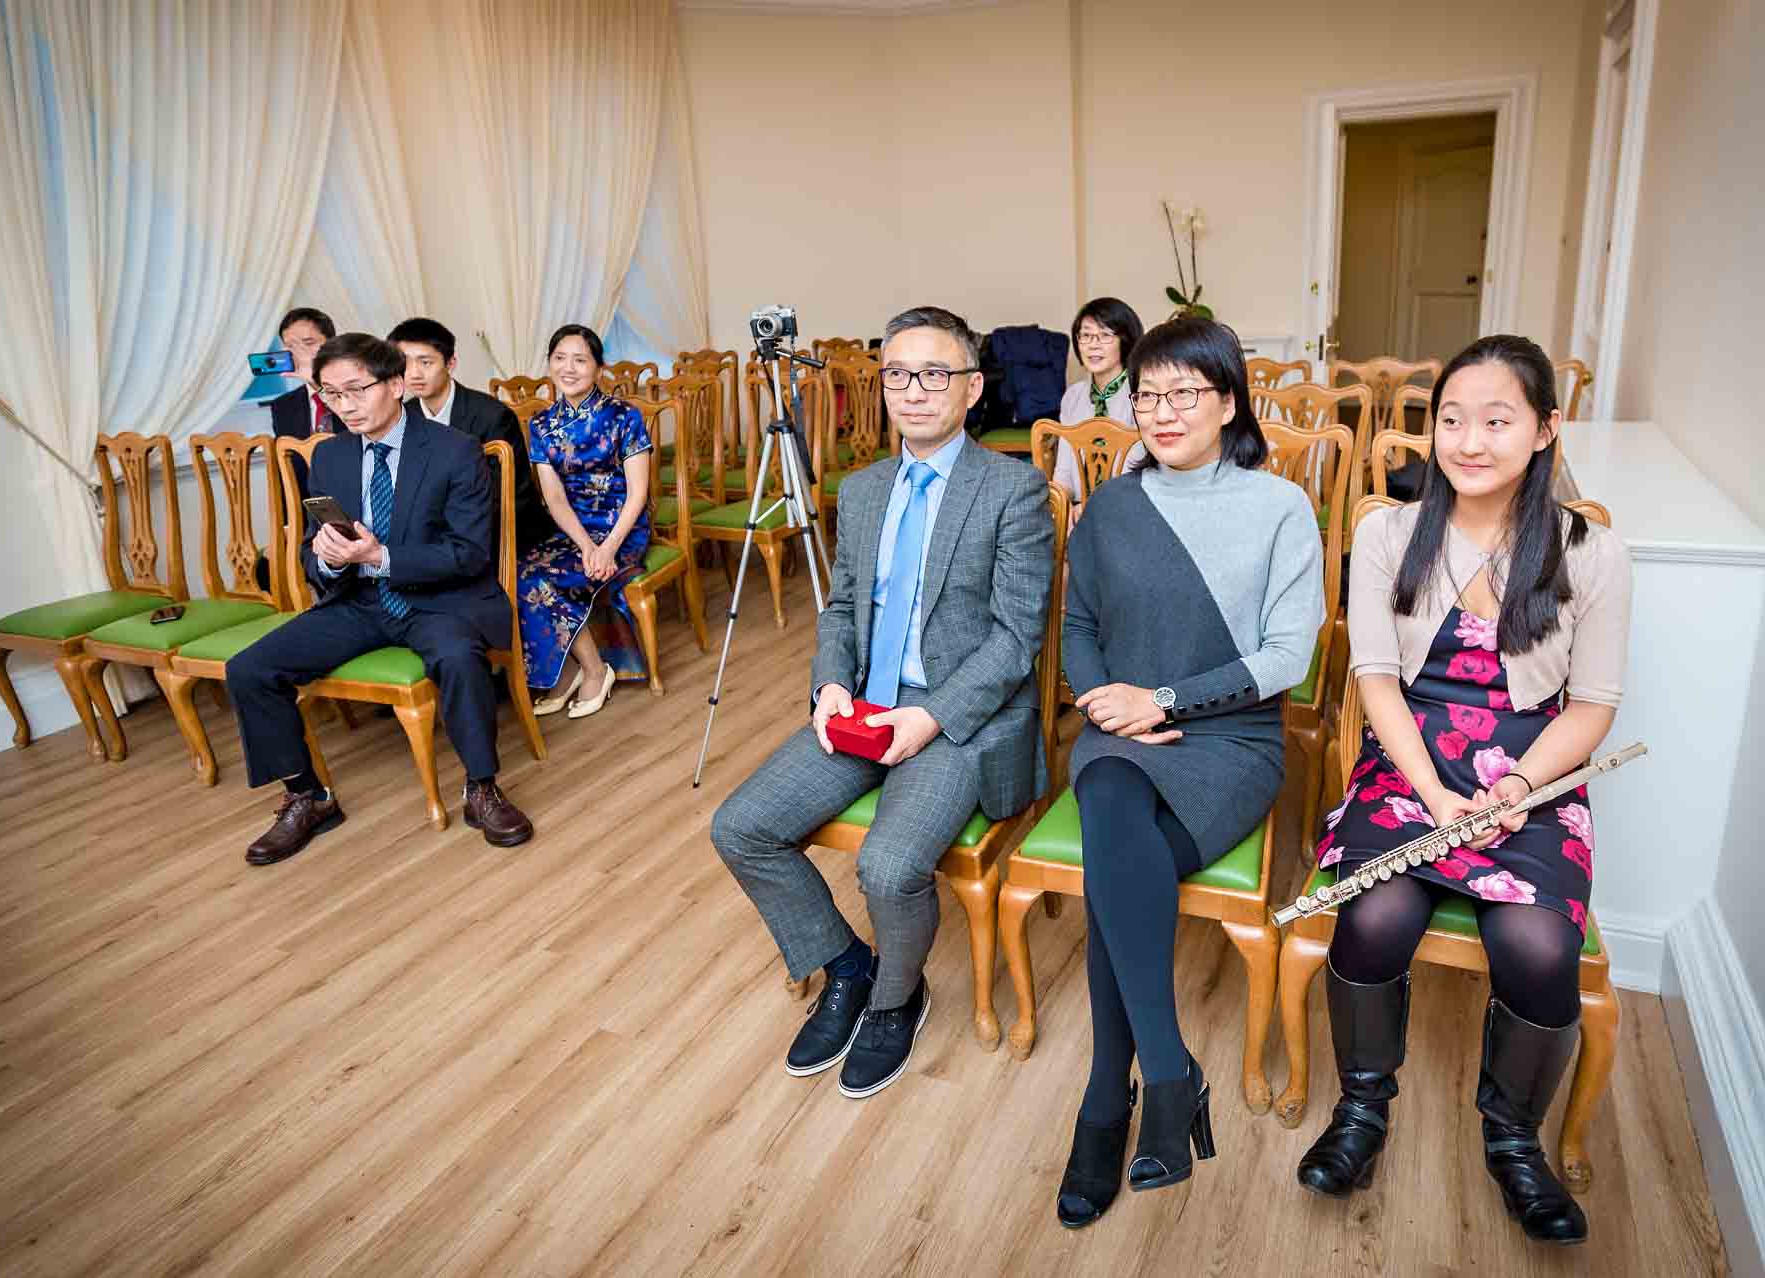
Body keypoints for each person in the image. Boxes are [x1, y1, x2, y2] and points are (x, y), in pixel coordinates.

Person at [1295, 334, 1631, 1248]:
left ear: (1545, 429)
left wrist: (1519, 785)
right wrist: (1436, 797)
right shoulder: (1387, 533)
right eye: (1451, 419)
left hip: (1534, 775)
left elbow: (1594, 705)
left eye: (1497, 420)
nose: (1469, 441)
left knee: (1536, 945)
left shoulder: (1589, 552)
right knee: (1371, 919)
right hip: (1409, 767)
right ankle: (1362, 1112)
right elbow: (1373, 681)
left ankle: (1514, 1142)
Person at [711, 305, 1053, 1100]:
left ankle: (898, 1000)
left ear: (971, 390)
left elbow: (1013, 639)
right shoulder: (862, 490)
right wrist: (830, 684)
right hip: (864, 704)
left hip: (959, 715)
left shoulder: (1012, 489)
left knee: (892, 865)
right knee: (742, 827)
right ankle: (849, 966)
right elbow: (840, 610)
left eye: (936, 374)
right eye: (897, 374)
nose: (914, 391)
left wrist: (928, 717)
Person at [1052, 317, 1324, 1228]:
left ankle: (1106, 1098)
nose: (1161, 412)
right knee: (1111, 803)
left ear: (1230, 403)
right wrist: (1104, 703)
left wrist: (1162, 699)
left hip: (1232, 737)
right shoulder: (1111, 506)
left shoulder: (1278, 506)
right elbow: (1078, 628)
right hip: (1119, 727)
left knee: (1115, 870)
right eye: (1147, 394)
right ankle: (1161, 1076)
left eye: (1184, 394)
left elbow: (1289, 655)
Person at [226, 333, 535, 865]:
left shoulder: (454, 449)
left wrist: (381, 556)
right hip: (361, 602)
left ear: (395, 384)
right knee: (250, 669)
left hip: (441, 599)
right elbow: (310, 547)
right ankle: (308, 796)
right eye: (331, 394)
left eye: (356, 390)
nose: (344, 406)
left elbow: (469, 553)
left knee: (459, 657)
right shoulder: (330, 458)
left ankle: (481, 788)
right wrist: (326, 557)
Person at [515, 324, 652, 717]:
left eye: (580, 359)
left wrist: (607, 546)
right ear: (549, 364)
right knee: (521, 571)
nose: (568, 368)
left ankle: (593, 670)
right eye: (560, 358)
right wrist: (586, 545)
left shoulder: (625, 416)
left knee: (542, 578)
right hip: (573, 530)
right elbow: (554, 496)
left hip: (622, 527)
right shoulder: (540, 425)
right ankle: (574, 666)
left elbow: (638, 491)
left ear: (598, 367)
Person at [389, 316, 554, 556]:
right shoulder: (403, 416)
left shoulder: (494, 416)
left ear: (451, 363)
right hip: (434, 540)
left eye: (425, 362)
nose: (413, 373)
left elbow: (510, 497)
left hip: (502, 536)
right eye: (404, 363)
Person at [1050, 297, 1145, 509]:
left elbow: (1140, 472)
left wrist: (1094, 508)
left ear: (1125, 340)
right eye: (1085, 335)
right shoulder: (1072, 397)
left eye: (1104, 335)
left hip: (1129, 506)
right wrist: (1061, 510)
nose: (1093, 344)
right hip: (1079, 507)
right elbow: (1064, 471)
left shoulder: (1143, 395)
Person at [266, 307, 338, 441]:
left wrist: (316, 383)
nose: (300, 352)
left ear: (331, 344)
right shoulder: (282, 406)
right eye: (291, 346)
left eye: (308, 343)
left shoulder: (354, 391)